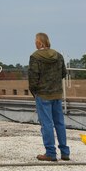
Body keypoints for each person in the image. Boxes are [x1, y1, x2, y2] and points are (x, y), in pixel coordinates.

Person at [28, 32, 70, 162]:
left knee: (46, 124)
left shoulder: (35, 57)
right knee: (60, 123)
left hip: (43, 95)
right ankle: (65, 152)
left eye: (35, 40)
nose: (34, 42)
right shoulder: (59, 56)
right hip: (57, 94)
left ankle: (51, 153)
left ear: (40, 43)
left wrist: (35, 92)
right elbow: (63, 73)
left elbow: (33, 78)